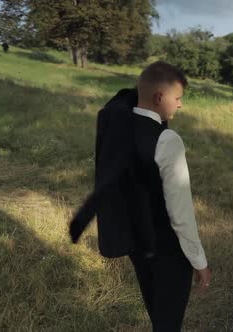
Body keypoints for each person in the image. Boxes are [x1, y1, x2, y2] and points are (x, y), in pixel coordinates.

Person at [69, 61, 211, 331]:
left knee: (157, 313)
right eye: (178, 98)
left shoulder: (116, 126)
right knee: (168, 323)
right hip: (168, 250)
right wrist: (199, 262)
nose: (179, 105)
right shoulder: (168, 140)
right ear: (160, 97)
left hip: (136, 244)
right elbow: (180, 215)